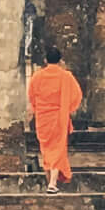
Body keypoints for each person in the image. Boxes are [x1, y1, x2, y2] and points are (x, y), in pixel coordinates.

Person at [26, 45, 83, 191]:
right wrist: (67, 109)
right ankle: (52, 183)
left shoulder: (37, 76)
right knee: (57, 149)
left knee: (46, 149)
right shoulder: (66, 76)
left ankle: (50, 181)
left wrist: (37, 109)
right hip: (59, 116)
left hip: (43, 117)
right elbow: (77, 96)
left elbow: (32, 96)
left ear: (45, 60)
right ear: (60, 60)